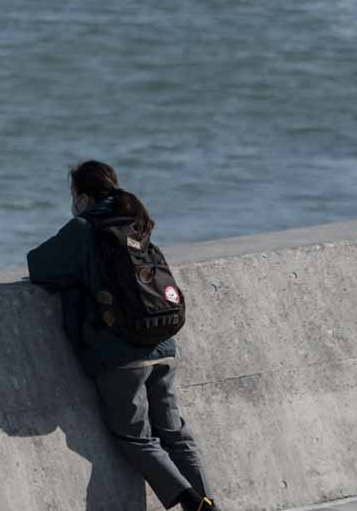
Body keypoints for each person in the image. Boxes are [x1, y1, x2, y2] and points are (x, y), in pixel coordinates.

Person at [27, 160, 216, 511]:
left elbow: (39, 265)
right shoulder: (136, 220)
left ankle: (193, 503)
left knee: (135, 436)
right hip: (162, 341)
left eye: (73, 195)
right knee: (174, 432)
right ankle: (208, 503)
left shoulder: (83, 228)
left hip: (120, 352)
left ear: (82, 196)